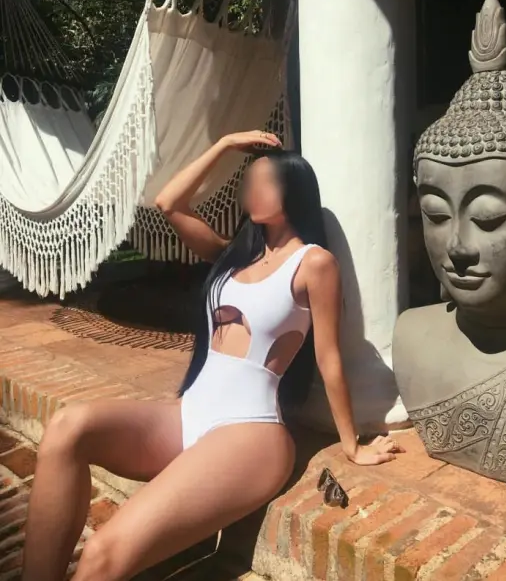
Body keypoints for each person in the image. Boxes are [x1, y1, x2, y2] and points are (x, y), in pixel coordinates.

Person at [22, 130, 402, 581]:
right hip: (189, 415)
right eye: (250, 182)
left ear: (294, 191)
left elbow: (329, 357)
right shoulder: (234, 256)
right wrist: (224, 145)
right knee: (66, 428)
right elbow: (168, 203)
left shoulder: (313, 263)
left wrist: (352, 446)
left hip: (251, 434)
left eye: (266, 182)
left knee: (102, 554)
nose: (252, 191)